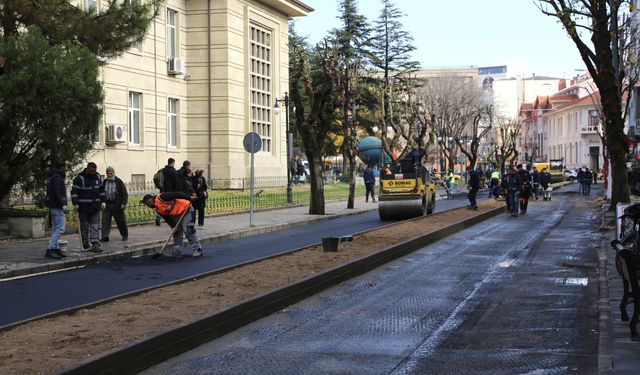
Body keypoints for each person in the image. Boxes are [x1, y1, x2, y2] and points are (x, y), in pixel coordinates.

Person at [141, 192, 203, 258]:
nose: (148, 205)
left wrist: (189, 198)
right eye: (146, 204)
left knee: (187, 229)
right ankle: (177, 251)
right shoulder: (158, 209)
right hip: (176, 214)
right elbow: (167, 218)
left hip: (186, 209)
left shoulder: (162, 197)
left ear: (150, 200)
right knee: (176, 232)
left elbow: (176, 194)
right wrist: (173, 226)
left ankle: (197, 249)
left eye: (147, 203)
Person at [71, 162, 106, 251]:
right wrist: (75, 203)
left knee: (95, 226)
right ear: (87, 169)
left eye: (95, 171)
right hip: (84, 208)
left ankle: (95, 244)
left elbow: (101, 190)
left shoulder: (97, 177)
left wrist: (103, 201)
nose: (93, 172)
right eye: (91, 171)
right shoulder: (79, 179)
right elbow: (74, 192)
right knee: (85, 226)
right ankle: (85, 243)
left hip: (95, 207)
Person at [45, 162, 68, 259]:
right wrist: (63, 204)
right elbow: (57, 192)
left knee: (55, 228)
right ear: (61, 168)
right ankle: (50, 249)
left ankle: (54, 248)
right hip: (58, 206)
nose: (65, 169)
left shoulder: (52, 177)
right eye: (64, 168)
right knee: (60, 228)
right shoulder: (58, 178)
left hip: (53, 206)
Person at [100, 167, 128, 242]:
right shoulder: (105, 181)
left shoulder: (118, 181)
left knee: (121, 221)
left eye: (111, 173)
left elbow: (124, 193)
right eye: (108, 173)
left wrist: (123, 203)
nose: (109, 175)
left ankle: (124, 235)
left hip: (117, 205)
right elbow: (102, 192)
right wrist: (102, 202)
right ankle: (105, 237)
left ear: (114, 173)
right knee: (105, 222)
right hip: (107, 205)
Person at [156, 158, 177, 226]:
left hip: (163, 190)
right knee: (171, 205)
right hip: (170, 191)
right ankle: (172, 219)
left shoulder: (162, 170)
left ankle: (158, 218)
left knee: (162, 205)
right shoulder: (173, 171)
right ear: (172, 163)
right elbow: (175, 182)